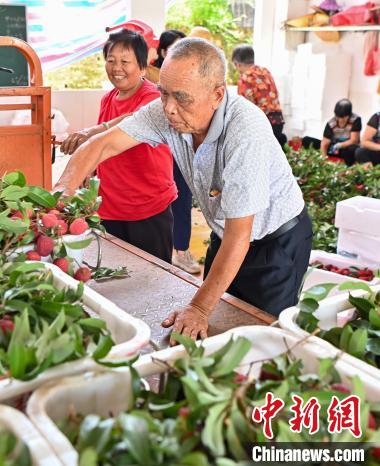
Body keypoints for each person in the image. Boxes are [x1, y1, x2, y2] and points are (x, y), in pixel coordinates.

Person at [54, 38, 311, 342]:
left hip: (274, 242)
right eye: (163, 93)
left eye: (181, 98)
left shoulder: (246, 132)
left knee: (262, 338)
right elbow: (103, 144)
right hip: (225, 233)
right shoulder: (167, 110)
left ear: (217, 95)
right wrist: (60, 196)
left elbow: (240, 234)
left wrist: (199, 308)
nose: (169, 108)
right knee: (218, 325)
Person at [60, 29, 177, 263]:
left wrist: (94, 131)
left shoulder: (153, 98)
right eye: (111, 60)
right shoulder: (108, 98)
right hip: (110, 208)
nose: (116, 67)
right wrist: (87, 174)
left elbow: (134, 119)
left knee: (152, 278)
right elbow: (102, 148)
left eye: (125, 61)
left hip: (148, 210)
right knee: (115, 275)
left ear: (142, 67)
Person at [150, 29, 200, 274]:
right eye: (174, 50)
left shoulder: (191, 80)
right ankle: (163, 250)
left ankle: (181, 249)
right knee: (161, 201)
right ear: (161, 53)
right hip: (157, 151)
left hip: (182, 146)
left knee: (183, 197)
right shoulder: (151, 79)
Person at [232, 45, 287, 149]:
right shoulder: (265, 71)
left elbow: (244, 108)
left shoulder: (245, 78)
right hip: (278, 121)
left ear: (237, 64)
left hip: (262, 124)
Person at [321, 99, 361, 165]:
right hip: (333, 149)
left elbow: (354, 140)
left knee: (353, 149)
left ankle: (349, 167)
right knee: (307, 140)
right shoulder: (331, 123)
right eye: (338, 117)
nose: (340, 120)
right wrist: (323, 159)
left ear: (349, 115)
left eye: (343, 117)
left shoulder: (356, 120)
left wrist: (340, 145)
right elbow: (325, 143)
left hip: (346, 148)